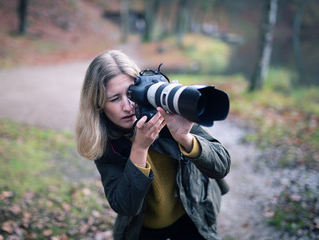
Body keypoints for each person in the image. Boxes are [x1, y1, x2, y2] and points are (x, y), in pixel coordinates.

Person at [76, 50, 231, 240]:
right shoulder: (107, 143)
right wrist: (139, 149)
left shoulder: (167, 113)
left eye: (131, 94)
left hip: (193, 217)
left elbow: (222, 166)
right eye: (115, 99)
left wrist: (184, 137)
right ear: (98, 105)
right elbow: (125, 206)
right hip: (143, 230)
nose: (128, 106)